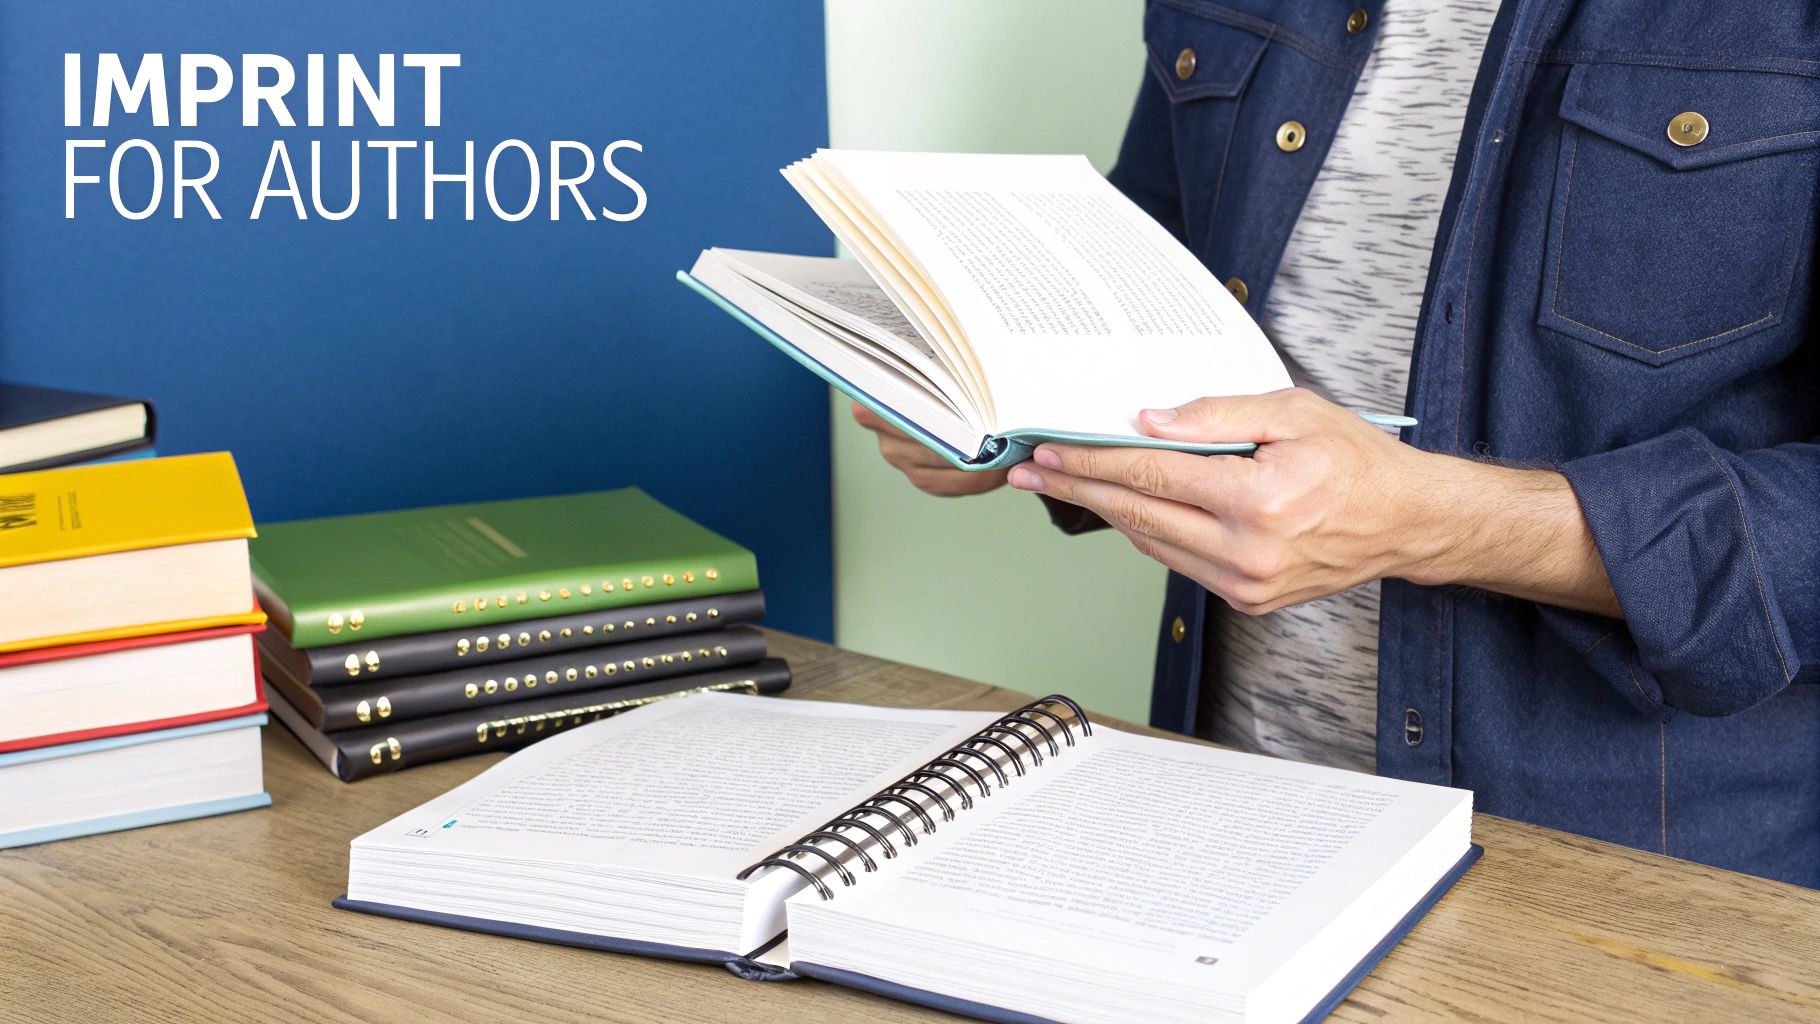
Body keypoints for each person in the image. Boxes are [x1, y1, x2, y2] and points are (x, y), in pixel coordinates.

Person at [853, 0, 1820, 888]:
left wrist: (1431, 523)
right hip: (1224, 818)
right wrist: (997, 399)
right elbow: (1149, 286)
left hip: (1624, 883)